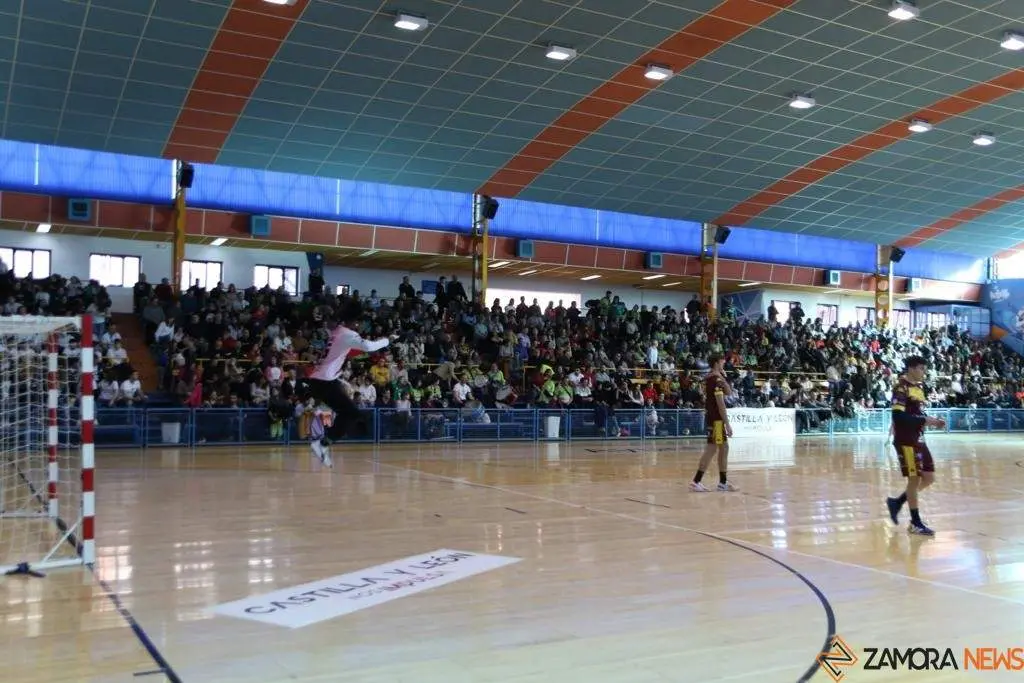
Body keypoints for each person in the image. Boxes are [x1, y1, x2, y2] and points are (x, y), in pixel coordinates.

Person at [306, 302, 392, 440]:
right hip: (324, 381)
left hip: (320, 380)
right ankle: (324, 443)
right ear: (353, 321)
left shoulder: (336, 331)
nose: (358, 327)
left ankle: (325, 441)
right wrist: (386, 341)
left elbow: (328, 322)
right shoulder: (348, 334)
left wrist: (324, 312)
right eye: (357, 323)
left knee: (349, 412)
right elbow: (369, 346)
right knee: (350, 413)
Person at [886, 355, 946, 536]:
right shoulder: (901, 388)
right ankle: (915, 523)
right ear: (911, 368)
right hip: (906, 441)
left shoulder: (918, 388)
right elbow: (898, 417)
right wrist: (924, 419)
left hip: (918, 438)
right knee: (914, 480)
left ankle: (897, 502)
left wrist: (932, 421)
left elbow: (917, 414)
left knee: (929, 477)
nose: (923, 372)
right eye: (921, 368)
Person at [689, 355, 738, 492]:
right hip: (716, 420)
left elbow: (729, 392)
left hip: (713, 418)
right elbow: (721, 403)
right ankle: (697, 481)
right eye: (722, 361)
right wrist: (727, 423)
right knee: (713, 449)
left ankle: (721, 482)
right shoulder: (714, 380)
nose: (724, 362)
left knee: (721, 448)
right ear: (717, 362)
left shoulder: (714, 378)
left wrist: (723, 377)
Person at [308, 401, 335, 467]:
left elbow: (330, 419)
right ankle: (326, 461)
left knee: (317, 444)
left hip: (319, 430)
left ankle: (326, 460)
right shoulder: (319, 410)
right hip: (319, 430)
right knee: (319, 445)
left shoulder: (319, 410)